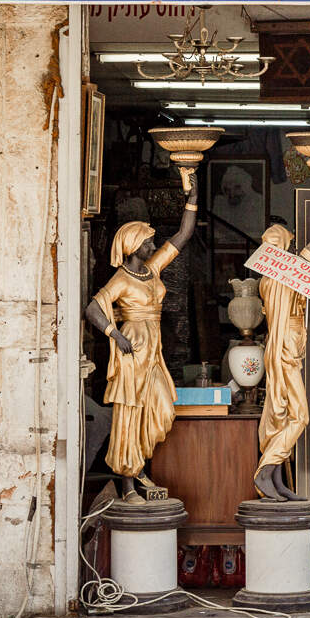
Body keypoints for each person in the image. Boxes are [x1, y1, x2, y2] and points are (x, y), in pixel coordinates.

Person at [85, 179, 199, 499]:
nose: (154, 245)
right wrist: (114, 334)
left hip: (153, 350)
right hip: (131, 348)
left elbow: (183, 235)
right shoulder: (120, 279)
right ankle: (128, 481)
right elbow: (93, 308)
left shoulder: (152, 270)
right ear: (135, 245)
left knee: (161, 410)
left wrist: (193, 199)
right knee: (130, 413)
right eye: (149, 242)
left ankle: (138, 468)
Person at [254, 177, 310, 501]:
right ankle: (264, 471)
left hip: (282, 349)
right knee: (299, 415)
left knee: (281, 415)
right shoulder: (284, 275)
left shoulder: (266, 281)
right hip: (286, 350)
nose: (293, 248)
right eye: (289, 244)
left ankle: (274, 478)